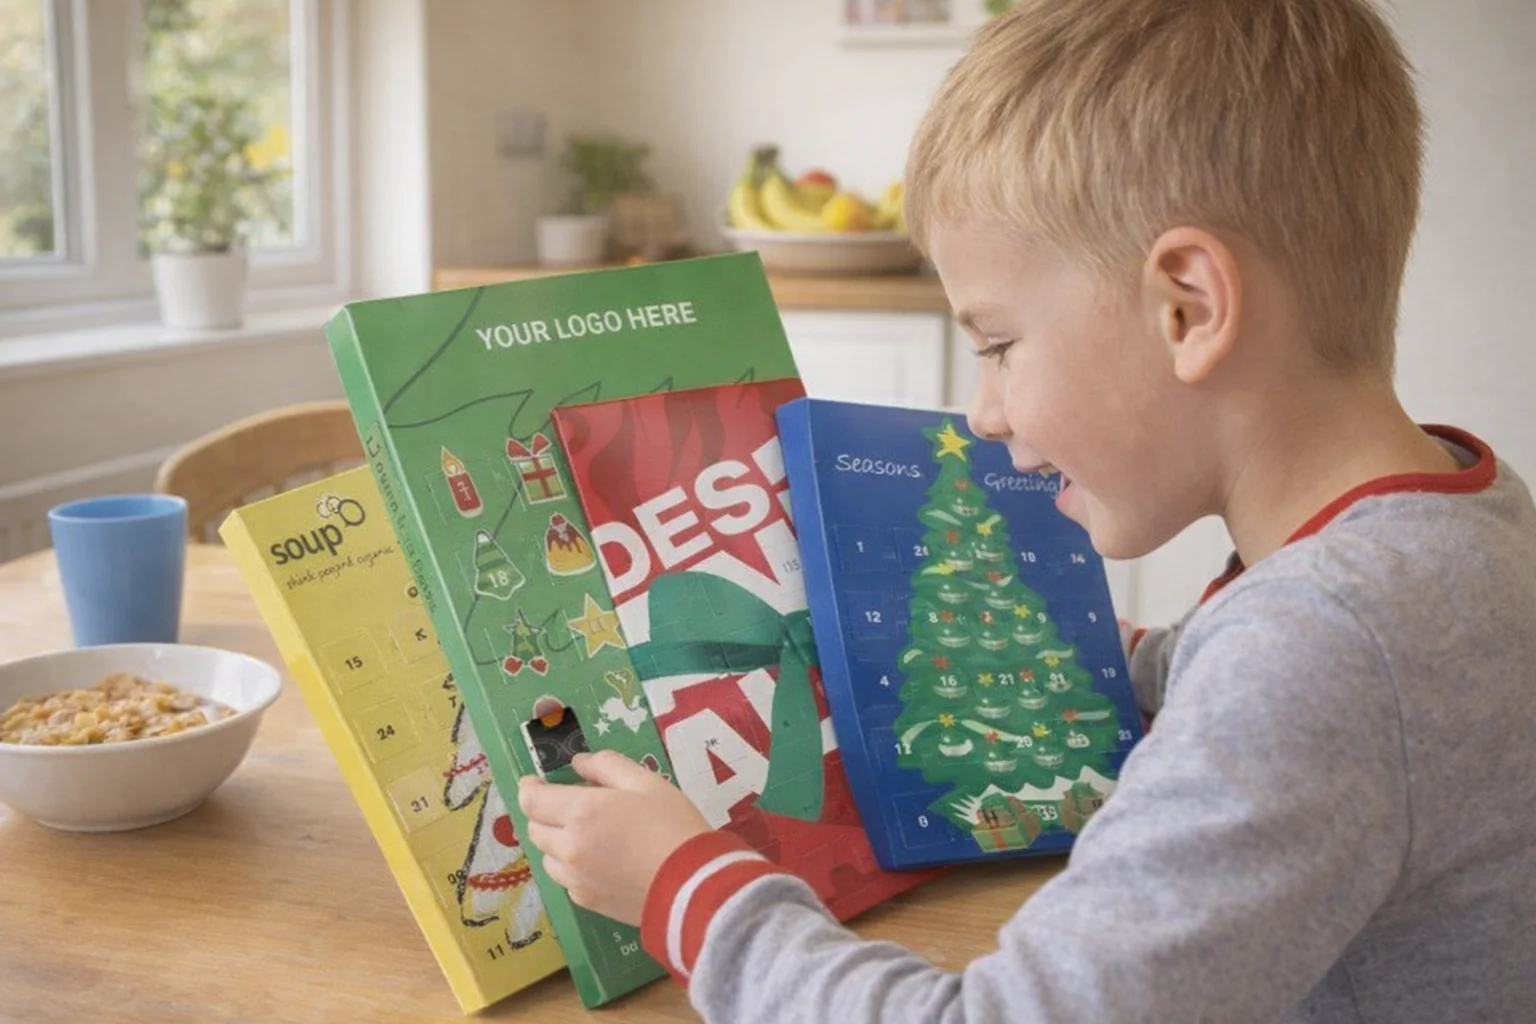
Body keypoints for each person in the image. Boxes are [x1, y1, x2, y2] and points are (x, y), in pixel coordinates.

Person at [518, 0, 1536, 1019]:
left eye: (1000, 345)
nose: (985, 411)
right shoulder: (1454, 524)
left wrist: (685, 889)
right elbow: (1229, 669)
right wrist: (1098, 655)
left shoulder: (1328, 647)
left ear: (1188, 306)